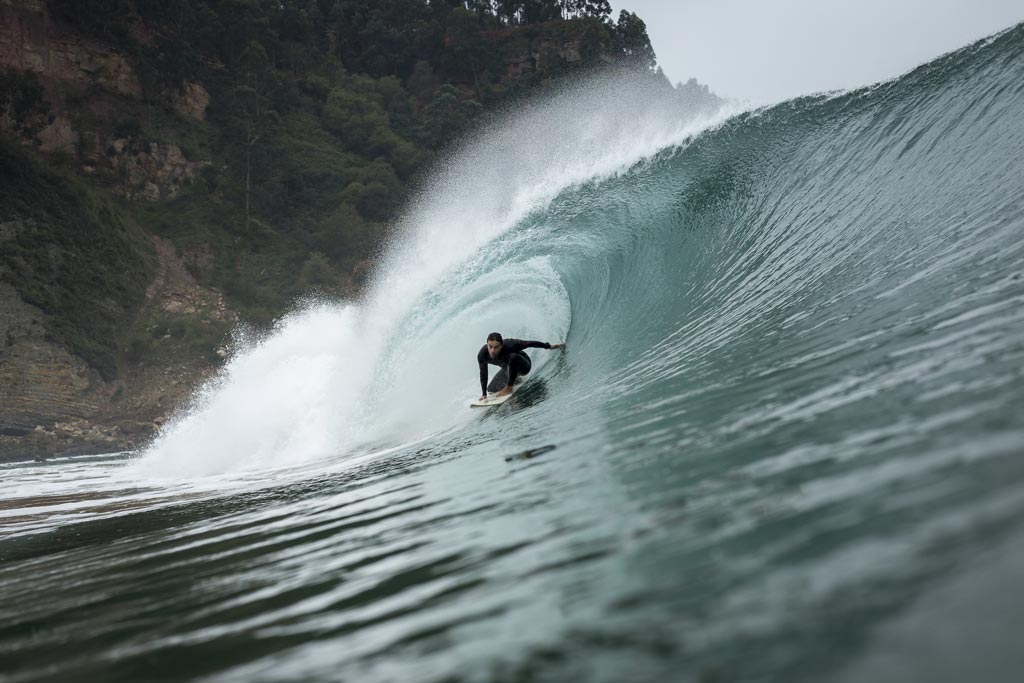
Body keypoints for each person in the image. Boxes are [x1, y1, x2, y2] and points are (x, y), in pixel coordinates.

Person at [477, 332, 564, 401]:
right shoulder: (482, 355)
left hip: (523, 366)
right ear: (487, 344)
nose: (492, 350)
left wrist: (548, 346)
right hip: (508, 370)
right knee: (491, 389)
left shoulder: (510, 344)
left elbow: (530, 343)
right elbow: (483, 373)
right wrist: (484, 394)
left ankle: (509, 387)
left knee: (512, 357)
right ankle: (516, 380)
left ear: (501, 345)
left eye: (496, 347)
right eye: (490, 346)